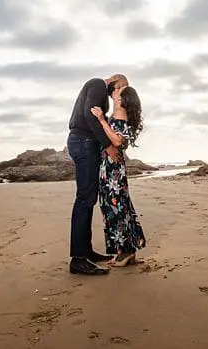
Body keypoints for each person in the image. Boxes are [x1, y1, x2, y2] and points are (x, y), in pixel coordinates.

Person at [67, 74, 128, 275]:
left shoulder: (98, 89)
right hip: (83, 142)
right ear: (115, 82)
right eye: (121, 88)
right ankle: (78, 259)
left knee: (89, 198)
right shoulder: (97, 84)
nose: (121, 93)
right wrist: (108, 144)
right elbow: (89, 114)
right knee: (85, 199)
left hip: (85, 143)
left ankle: (85, 251)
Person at [90, 85, 146, 266]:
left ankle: (123, 253)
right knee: (120, 207)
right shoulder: (118, 114)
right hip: (112, 167)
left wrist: (101, 119)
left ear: (121, 99)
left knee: (116, 208)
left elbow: (117, 140)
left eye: (118, 91)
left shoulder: (120, 115)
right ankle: (129, 252)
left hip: (112, 169)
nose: (114, 91)